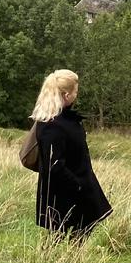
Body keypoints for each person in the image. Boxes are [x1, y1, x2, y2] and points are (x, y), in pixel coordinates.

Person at [31, 69, 111, 240]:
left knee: (79, 231)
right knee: (61, 235)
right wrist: (78, 185)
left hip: (76, 186)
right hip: (65, 193)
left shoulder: (64, 119)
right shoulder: (52, 124)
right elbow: (54, 164)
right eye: (76, 91)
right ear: (66, 95)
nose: (77, 94)